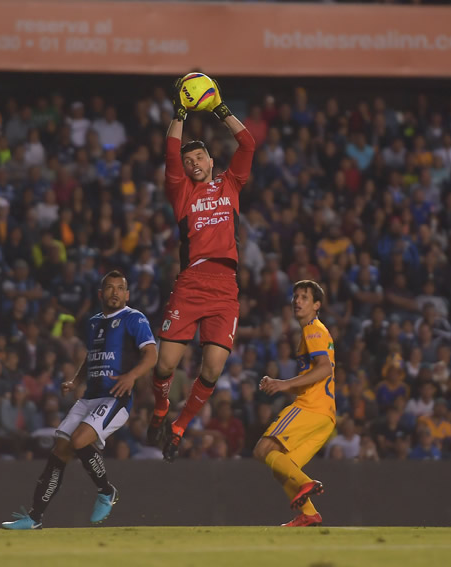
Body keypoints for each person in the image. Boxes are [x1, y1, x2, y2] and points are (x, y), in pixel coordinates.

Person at [147, 75, 256, 462]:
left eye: (199, 159)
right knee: (164, 365)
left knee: (211, 370)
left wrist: (219, 109)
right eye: (188, 161)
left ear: (212, 161)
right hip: (192, 281)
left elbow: (248, 143)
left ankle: (179, 426)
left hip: (225, 287)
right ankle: (161, 410)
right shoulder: (182, 192)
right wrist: (180, 112)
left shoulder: (230, 185)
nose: (192, 164)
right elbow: (171, 148)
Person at [2, 270, 157, 529]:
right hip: (90, 397)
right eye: (110, 287)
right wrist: (75, 380)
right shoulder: (94, 322)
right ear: (101, 293)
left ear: (127, 294)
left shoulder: (134, 318)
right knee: (60, 450)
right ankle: (34, 518)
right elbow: (92, 357)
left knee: (79, 441)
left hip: (116, 396)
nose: (115, 292)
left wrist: (131, 376)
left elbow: (151, 355)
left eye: (120, 288)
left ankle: (107, 491)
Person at [253, 280, 336, 527]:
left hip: (311, 407)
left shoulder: (312, 329)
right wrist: (280, 383)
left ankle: (306, 483)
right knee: (281, 466)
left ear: (316, 305)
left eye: (305, 298)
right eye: (296, 296)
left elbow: (325, 369)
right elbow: (316, 375)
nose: (297, 301)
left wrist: (284, 385)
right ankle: (309, 513)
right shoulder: (315, 332)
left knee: (262, 450)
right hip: (326, 416)